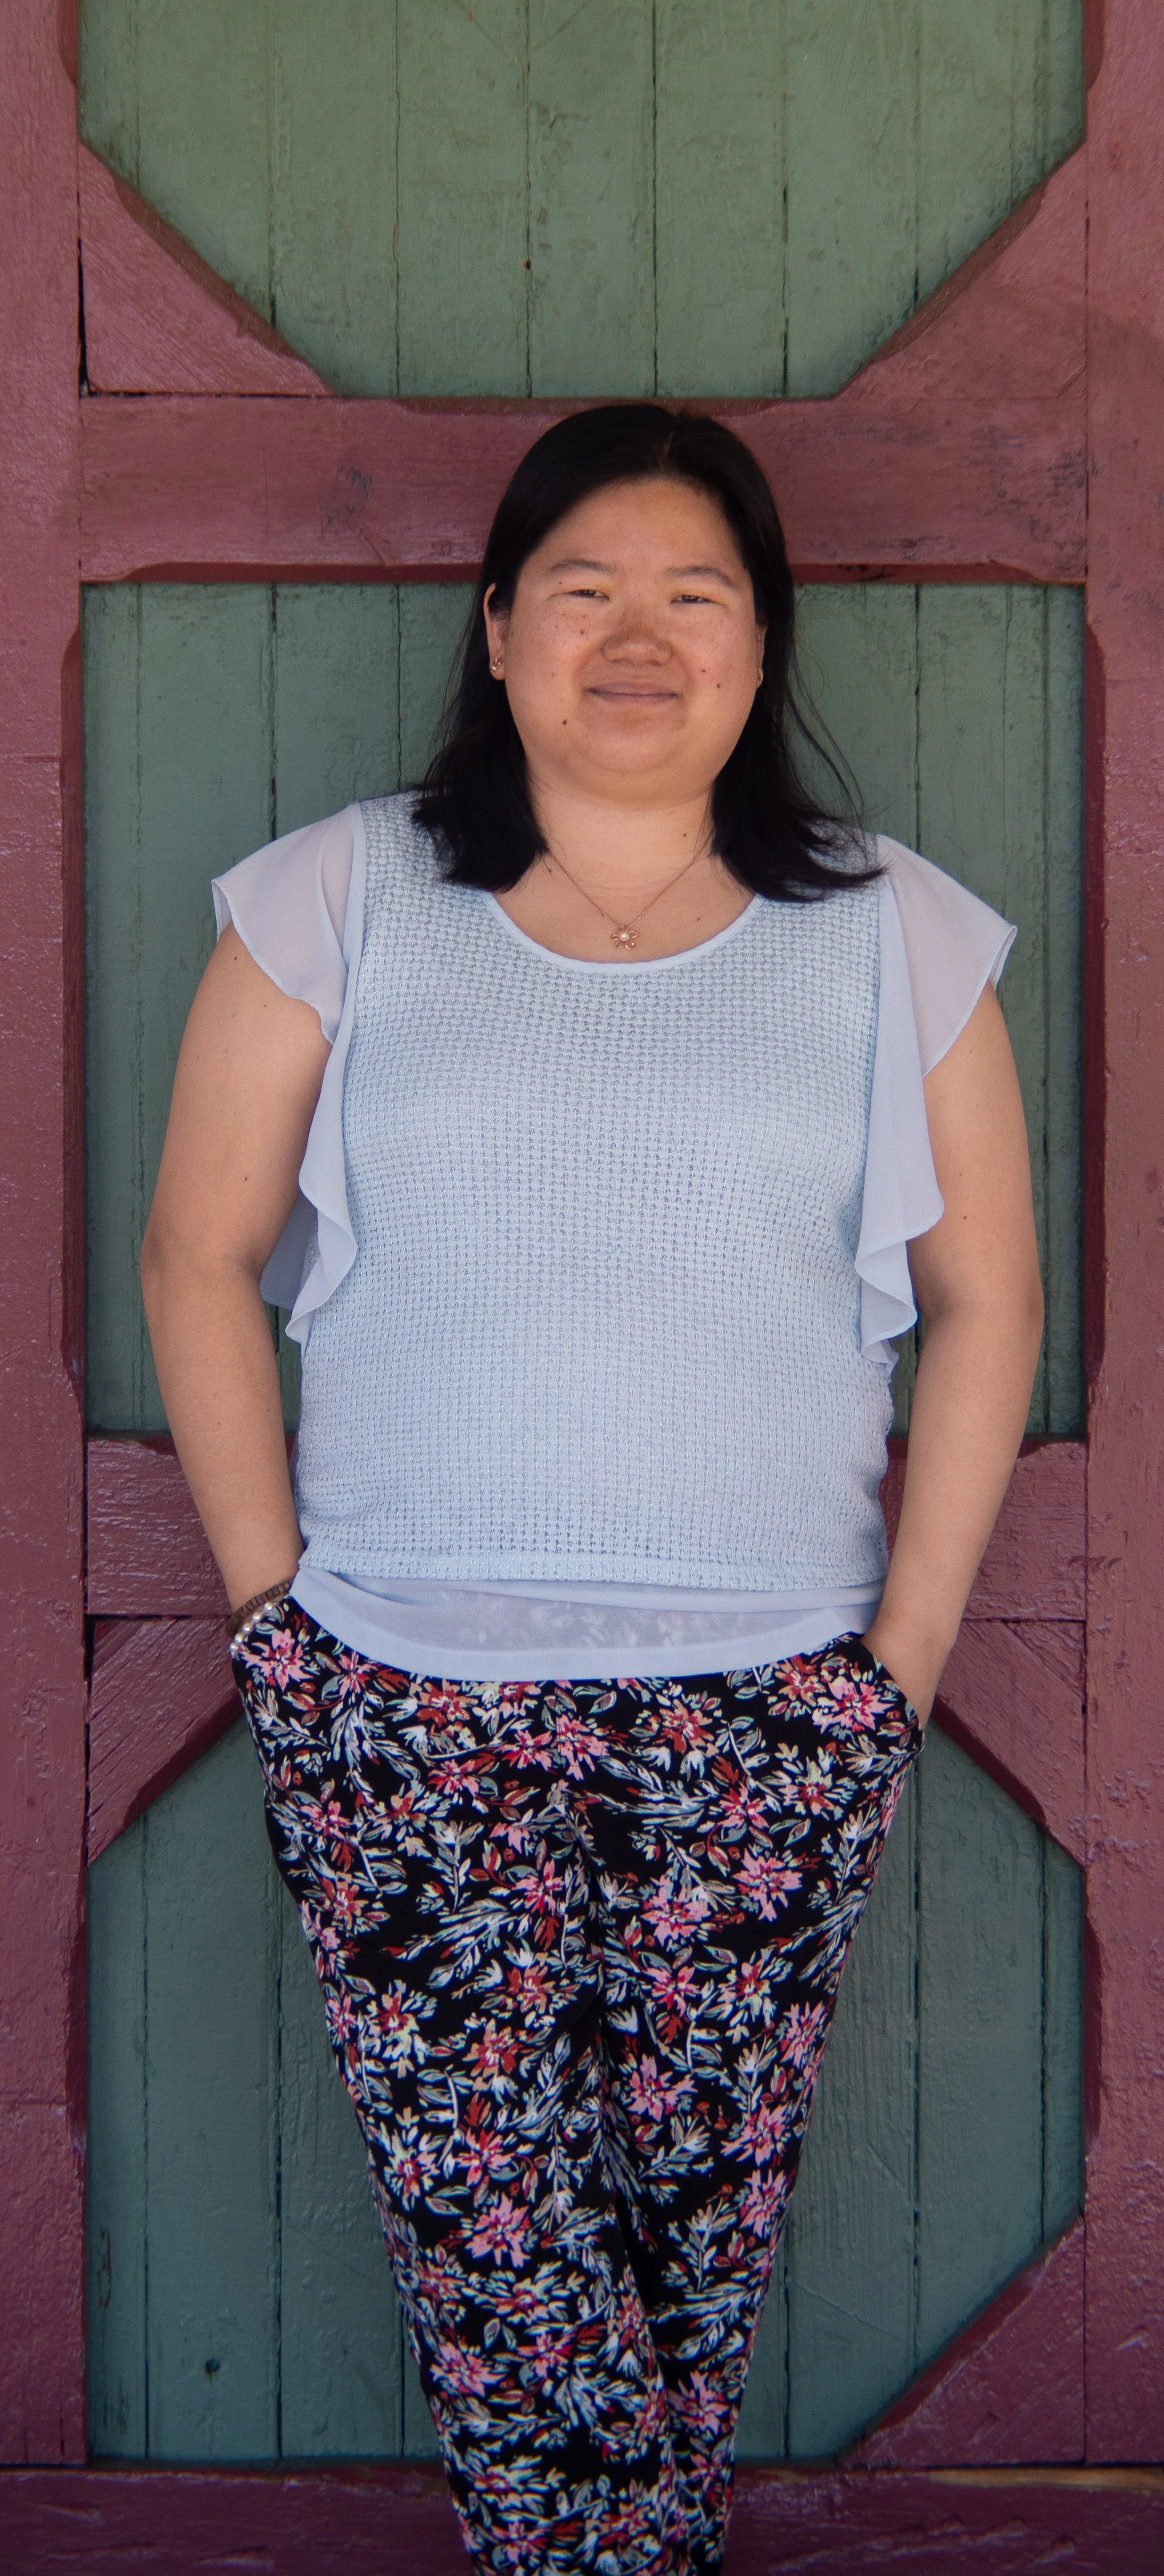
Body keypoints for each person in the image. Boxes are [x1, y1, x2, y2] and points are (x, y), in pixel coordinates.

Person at [141, 403, 1043, 2576]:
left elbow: (988, 1302)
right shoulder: (339, 901)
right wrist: (281, 1641)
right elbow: (191, 1256)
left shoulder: (890, 935)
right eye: (584, 591)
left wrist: (892, 1679)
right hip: (402, 1701)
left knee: (683, 2268)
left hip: (768, 1710)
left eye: (691, 595)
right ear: (496, 628)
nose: (637, 638)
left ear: (759, 643)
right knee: (501, 2274)